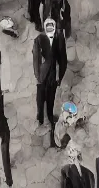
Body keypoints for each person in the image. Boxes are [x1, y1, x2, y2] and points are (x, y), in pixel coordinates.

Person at [33, 17, 67, 145]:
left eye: (52, 26)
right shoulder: (39, 40)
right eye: (47, 26)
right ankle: (40, 121)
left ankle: (51, 128)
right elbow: (35, 60)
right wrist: (38, 76)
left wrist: (60, 77)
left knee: (51, 101)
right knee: (40, 100)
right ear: (44, 27)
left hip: (53, 77)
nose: (50, 28)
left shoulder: (59, 39)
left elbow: (63, 58)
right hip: (42, 77)